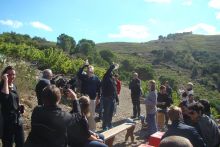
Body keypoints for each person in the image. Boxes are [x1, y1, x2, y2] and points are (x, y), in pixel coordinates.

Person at [0, 66, 24, 147]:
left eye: (13, 74)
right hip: (7, 121)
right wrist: (5, 81)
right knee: (8, 144)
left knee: (21, 142)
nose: (12, 76)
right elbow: (5, 97)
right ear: (4, 75)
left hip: (17, 119)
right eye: (9, 75)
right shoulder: (2, 86)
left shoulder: (14, 86)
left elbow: (15, 98)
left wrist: (19, 105)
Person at [77, 61, 101, 132]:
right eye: (87, 71)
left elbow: (99, 89)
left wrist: (98, 98)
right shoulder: (84, 77)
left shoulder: (96, 79)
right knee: (82, 113)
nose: (88, 72)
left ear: (93, 71)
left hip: (92, 99)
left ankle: (92, 130)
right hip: (84, 99)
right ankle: (82, 128)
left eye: (90, 71)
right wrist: (84, 66)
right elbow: (78, 74)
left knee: (91, 115)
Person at [101, 64, 119, 130]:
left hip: (112, 99)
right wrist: (113, 66)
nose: (111, 72)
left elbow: (115, 89)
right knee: (106, 112)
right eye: (111, 71)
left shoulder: (112, 79)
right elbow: (108, 71)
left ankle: (109, 124)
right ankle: (104, 126)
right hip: (107, 98)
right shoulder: (106, 77)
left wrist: (117, 99)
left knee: (111, 113)